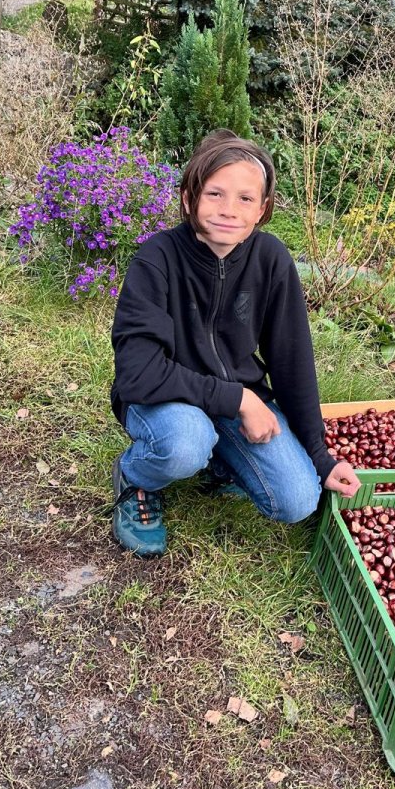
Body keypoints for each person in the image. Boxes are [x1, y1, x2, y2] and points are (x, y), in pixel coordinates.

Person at [109, 129, 360, 556]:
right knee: (185, 442)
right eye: (215, 194)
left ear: (262, 209)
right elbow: (139, 373)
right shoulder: (157, 259)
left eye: (245, 198)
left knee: (298, 499)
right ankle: (137, 478)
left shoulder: (271, 260)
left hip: (229, 406)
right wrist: (241, 399)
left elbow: (292, 364)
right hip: (163, 401)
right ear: (189, 198)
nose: (229, 210)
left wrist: (320, 457)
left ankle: (220, 459)